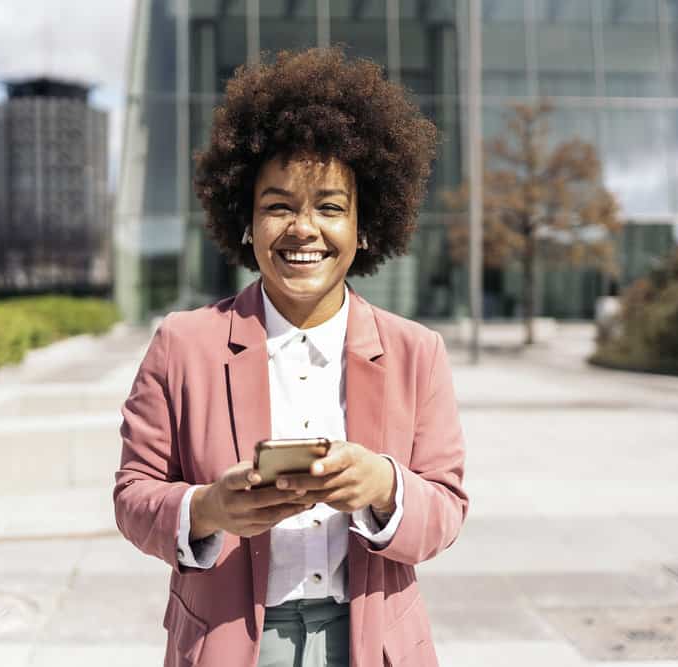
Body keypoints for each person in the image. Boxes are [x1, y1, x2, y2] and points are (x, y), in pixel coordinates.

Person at [114, 47, 468, 667]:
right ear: (246, 224)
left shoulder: (418, 352)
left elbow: (446, 511)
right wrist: (207, 508)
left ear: (365, 227)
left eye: (330, 207)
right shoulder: (182, 343)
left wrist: (385, 487)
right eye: (279, 206)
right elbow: (132, 497)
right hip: (227, 642)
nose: (304, 229)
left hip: (374, 642)